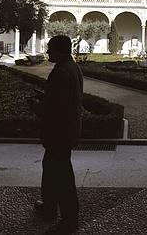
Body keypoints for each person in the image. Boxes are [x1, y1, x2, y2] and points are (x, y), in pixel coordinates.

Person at [34, 35, 83, 233]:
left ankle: (69, 219)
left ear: (59, 50)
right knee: (52, 170)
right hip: (66, 131)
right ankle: (49, 207)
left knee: (62, 177)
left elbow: (56, 108)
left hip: (59, 133)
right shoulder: (72, 67)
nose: (47, 52)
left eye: (50, 49)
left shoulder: (62, 72)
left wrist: (37, 106)